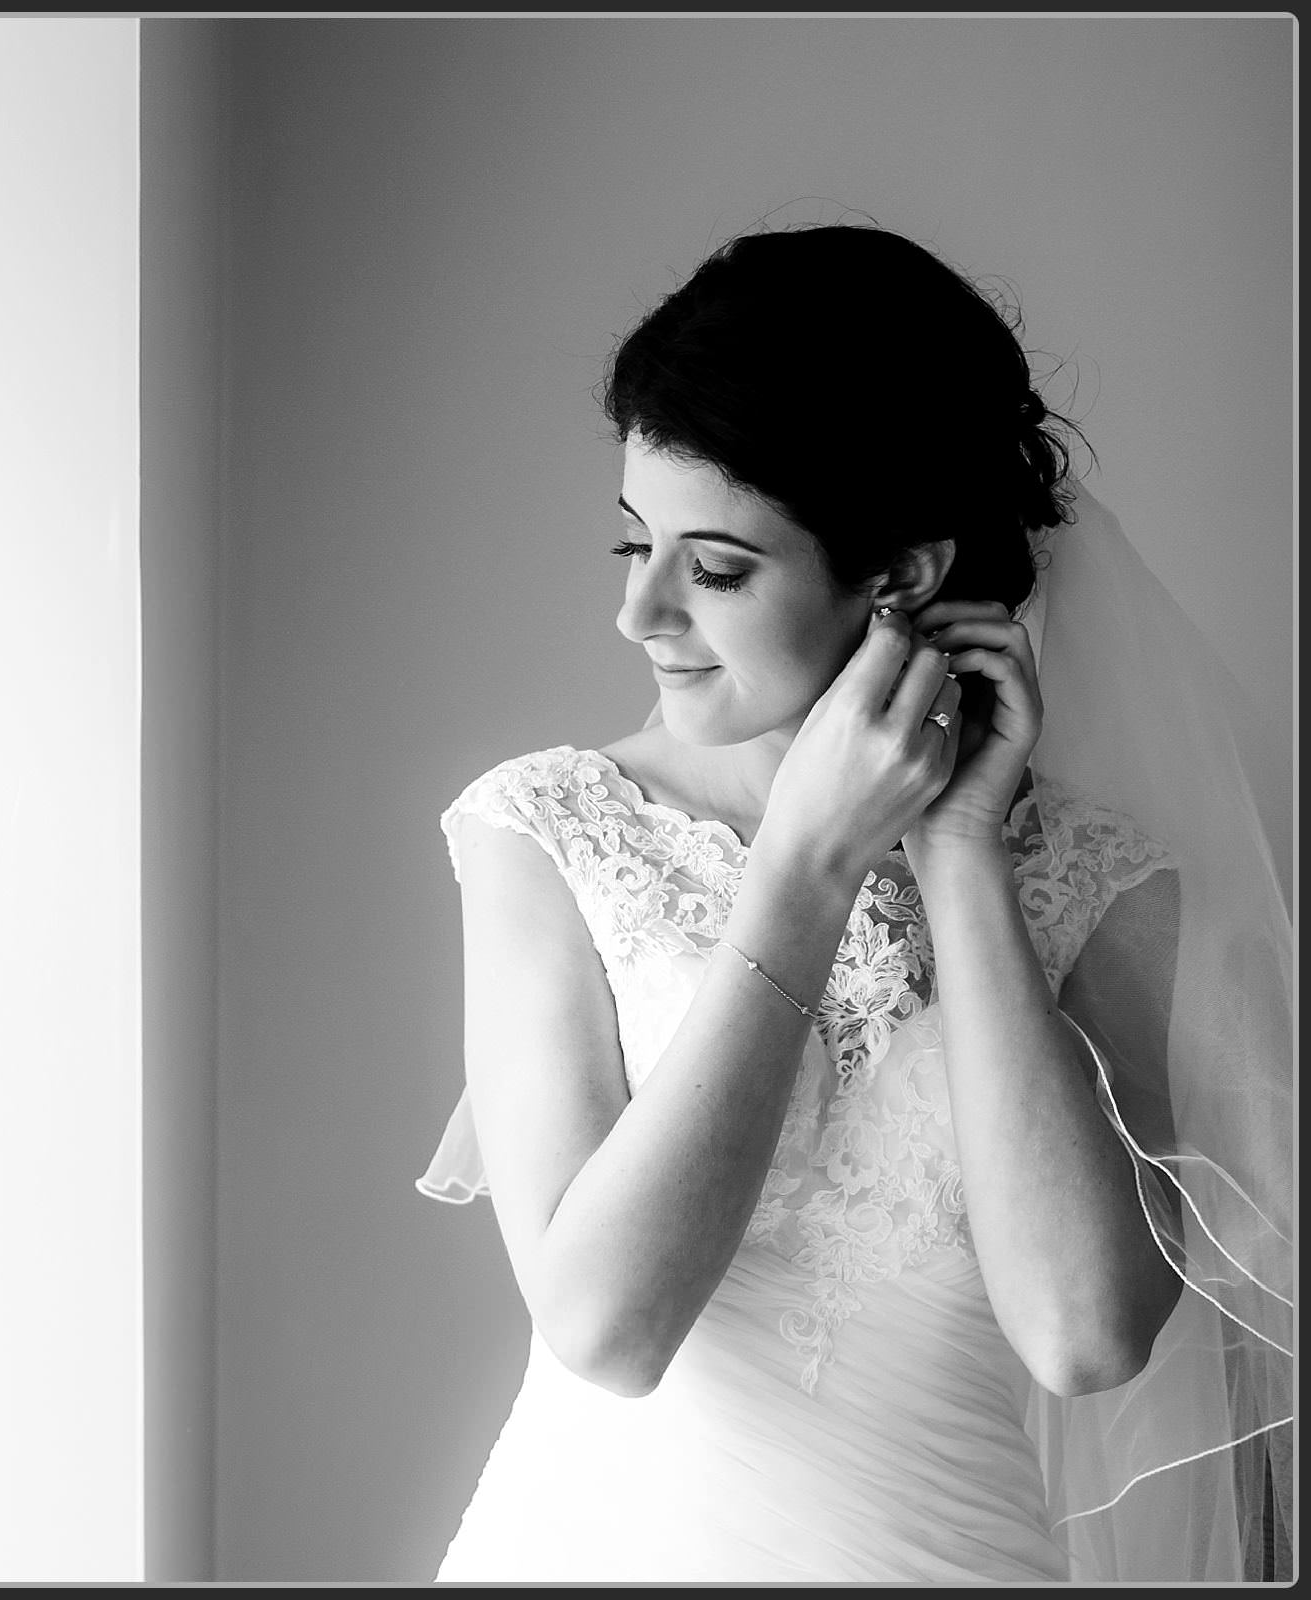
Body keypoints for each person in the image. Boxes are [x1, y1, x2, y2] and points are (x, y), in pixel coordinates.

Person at [417, 224, 1294, 1582]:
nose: (640, 612)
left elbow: (1084, 1335)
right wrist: (804, 869)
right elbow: (603, 1329)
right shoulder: (547, 832)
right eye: (631, 544)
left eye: (712, 569)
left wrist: (962, 857)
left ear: (898, 577)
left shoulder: (1095, 877)